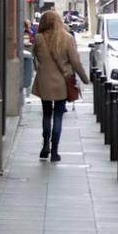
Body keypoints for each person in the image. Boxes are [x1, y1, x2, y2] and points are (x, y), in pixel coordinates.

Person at [31, 10, 89, 162]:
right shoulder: (67, 38)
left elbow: (34, 55)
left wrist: (40, 68)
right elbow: (76, 62)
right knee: (58, 116)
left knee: (46, 114)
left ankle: (45, 146)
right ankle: (55, 151)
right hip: (62, 83)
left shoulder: (39, 38)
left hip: (44, 82)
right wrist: (85, 78)